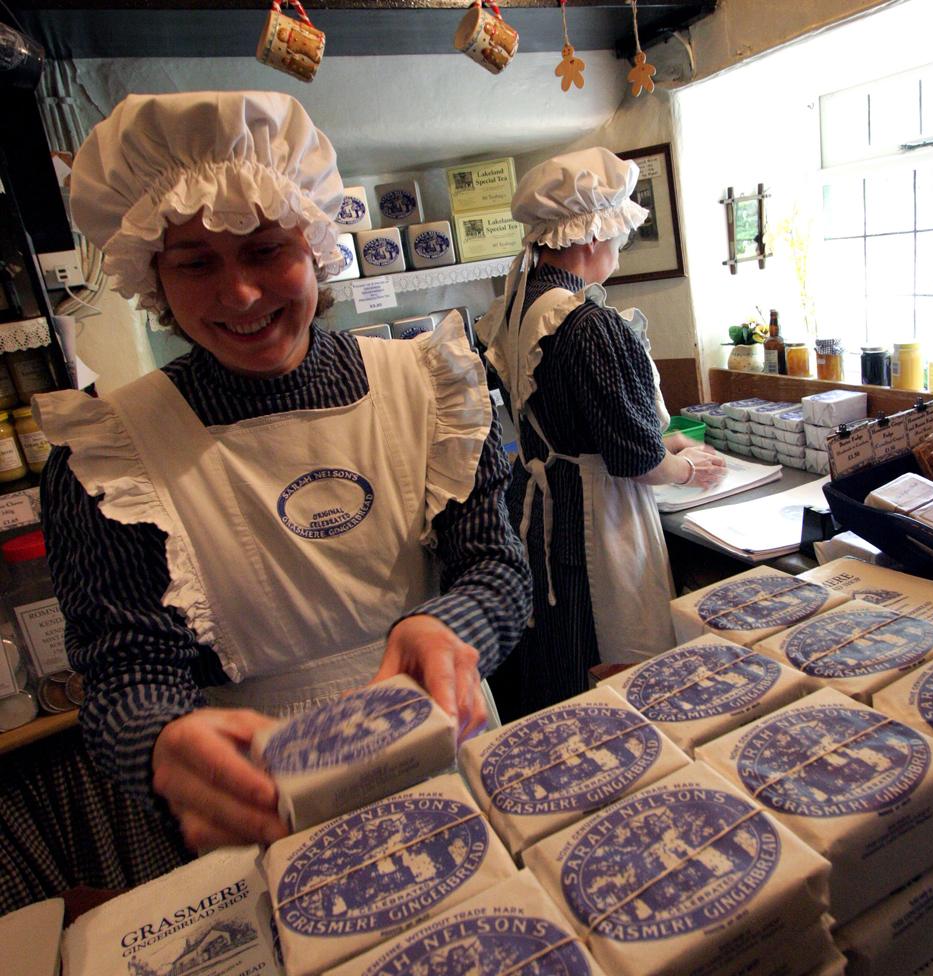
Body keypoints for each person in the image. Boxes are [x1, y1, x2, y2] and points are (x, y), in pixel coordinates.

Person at [35, 91, 531, 853]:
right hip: (260, 791)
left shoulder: (430, 385)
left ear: (316, 246)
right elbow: (124, 669)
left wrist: (444, 624)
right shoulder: (112, 453)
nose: (239, 294)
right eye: (195, 263)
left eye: (266, 249)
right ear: (153, 279)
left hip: (445, 744)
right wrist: (160, 741)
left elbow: (497, 569)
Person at [476, 147, 725, 720]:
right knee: (616, 656)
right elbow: (634, 461)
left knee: (562, 650)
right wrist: (687, 468)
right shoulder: (590, 323)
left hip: (545, 503)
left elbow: (577, 421)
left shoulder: (516, 310)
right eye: (616, 233)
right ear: (589, 235)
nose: (618, 247)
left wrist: (667, 441)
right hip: (598, 514)